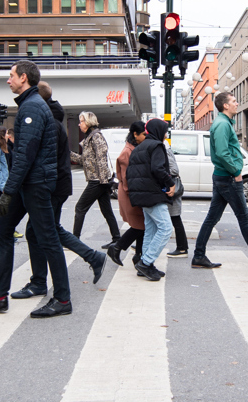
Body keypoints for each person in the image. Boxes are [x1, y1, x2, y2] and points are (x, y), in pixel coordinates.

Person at [0, 61, 71, 318]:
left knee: (48, 238)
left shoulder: (32, 107)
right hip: (29, 183)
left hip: (35, 184)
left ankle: (63, 299)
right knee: (3, 230)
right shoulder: (30, 104)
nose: (8, 80)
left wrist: (8, 192)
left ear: (24, 78)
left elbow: (25, 154)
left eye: (11, 75)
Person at [10, 83, 105, 299]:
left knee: (45, 231)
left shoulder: (48, 122)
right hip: (56, 184)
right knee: (42, 230)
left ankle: (45, 281)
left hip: (52, 185)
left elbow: (44, 159)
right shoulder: (52, 118)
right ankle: (87, 259)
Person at [191, 92, 248, 270]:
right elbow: (222, 152)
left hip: (223, 176)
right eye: (234, 101)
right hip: (228, 177)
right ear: (225, 105)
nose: (237, 103)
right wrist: (235, 171)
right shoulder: (222, 124)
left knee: (212, 218)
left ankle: (199, 256)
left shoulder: (224, 123)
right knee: (244, 218)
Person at [126, 118, 176, 280]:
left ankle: (145, 265)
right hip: (152, 194)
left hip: (141, 194)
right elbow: (157, 169)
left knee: (151, 229)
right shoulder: (157, 146)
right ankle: (146, 263)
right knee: (166, 228)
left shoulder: (139, 147)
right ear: (158, 131)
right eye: (165, 131)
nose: (166, 135)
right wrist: (170, 183)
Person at [70, 111, 120, 243]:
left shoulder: (96, 137)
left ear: (88, 122)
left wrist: (104, 182)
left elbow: (102, 160)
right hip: (99, 181)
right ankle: (116, 239)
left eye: (81, 121)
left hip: (97, 181)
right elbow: (84, 160)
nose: (79, 124)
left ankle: (75, 241)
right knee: (107, 211)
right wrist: (68, 153)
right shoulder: (89, 138)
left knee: (80, 208)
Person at [105, 123, 145, 267]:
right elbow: (128, 178)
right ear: (135, 134)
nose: (146, 137)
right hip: (130, 194)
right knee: (139, 226)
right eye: (144, 134)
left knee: (141, 225)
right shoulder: (128, 152)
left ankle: (138, 256)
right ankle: (117, 247)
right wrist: (136, 195)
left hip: (133, 193)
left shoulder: (134, 148)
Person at [164, 136, 190, 258]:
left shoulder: (165, 149)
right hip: (169, 188)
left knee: (175, 218)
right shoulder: (164, 148)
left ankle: (182, 248)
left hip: (171, 189)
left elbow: (174, 170)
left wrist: (160, 171)